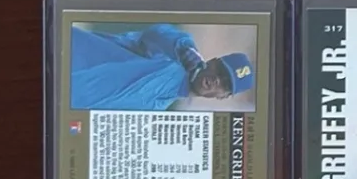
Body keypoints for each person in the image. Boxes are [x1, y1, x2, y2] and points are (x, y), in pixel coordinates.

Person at [69, 23, 255, 112]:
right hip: (69, 56)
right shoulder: (171, 64)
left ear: (221, 96)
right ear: (213, 61)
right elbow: (157, 34)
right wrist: (182, 47)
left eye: (225, 84)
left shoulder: (160, 108)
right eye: (220, 71)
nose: (217, 80)